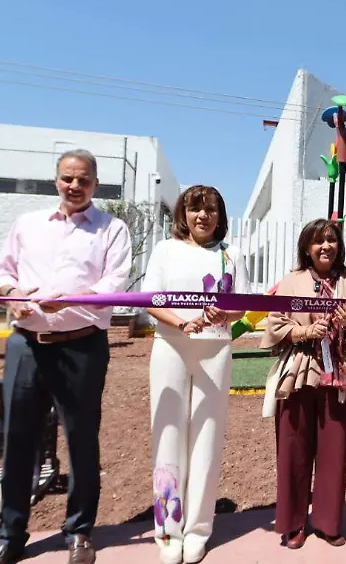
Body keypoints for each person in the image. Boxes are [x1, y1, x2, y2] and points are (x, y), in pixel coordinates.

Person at [0, 149, 133, 564]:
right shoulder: (27, 224)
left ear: (95, 184)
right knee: (17, 440)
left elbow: (113, 286)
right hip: (26, 346)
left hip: (82, 346)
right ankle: (10, 534)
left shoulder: (112, 229)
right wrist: (12, 298)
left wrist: (67, 300)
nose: (75, 186)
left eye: (83, 179)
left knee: (82, 440)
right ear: (56, 180)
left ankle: (79, 531)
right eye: (68, 178)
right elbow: (2, 273)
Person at [142, 186, 249, 564]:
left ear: (220, 216)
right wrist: (181, 323)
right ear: (183, 215)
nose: (202, 216)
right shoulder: (165, 250)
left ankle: (198, 530)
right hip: (171, 346)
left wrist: (226, 315)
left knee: (207, 437)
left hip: (215, 350)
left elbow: (242, 306)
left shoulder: (231, 255)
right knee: (168, 433)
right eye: (194, 209)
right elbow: (150, 299)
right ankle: (167, 527)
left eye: (210, 210)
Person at [262, 219, 346, 549]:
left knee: (334, 449)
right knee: (293, 448)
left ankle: (328, 521)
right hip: (298, 373)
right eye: (317, 241)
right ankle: (293, 522)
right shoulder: (291, 281)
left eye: (331, 240)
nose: (325, 246)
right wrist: (303, 332)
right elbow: (275, 324)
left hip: (338, 374)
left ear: (339, 246)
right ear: (306, 248)